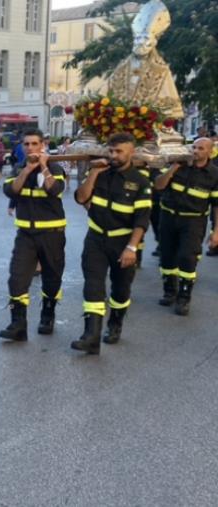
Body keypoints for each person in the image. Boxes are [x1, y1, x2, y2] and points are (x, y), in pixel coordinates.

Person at [71, 133, 152, 354]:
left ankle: (115, 324)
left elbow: (142, 220)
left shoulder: (140, 182)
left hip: (122, 242)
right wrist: (94, 173)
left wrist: (132, 248)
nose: (114, 155)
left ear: (131, 152)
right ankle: (91, 336)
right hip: (96, 238)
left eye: (119, 152)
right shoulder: (99, 174)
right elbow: (81, 198)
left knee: (120, 289)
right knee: (93, 285)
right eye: (111, 151)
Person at [0, 129, 67, 341]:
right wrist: (27, 171)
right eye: (26, 144)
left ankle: (48, 315)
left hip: (51, 233)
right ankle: (18, 324)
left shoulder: (55, 167)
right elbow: (10, 191)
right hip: (25, 234)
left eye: (34, 143)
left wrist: (44, 166)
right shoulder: (19, 168)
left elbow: (54, 189)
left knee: (52, 279)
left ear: (42, 145)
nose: (30, 148)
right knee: (16, 279)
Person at [152, 137, 218, 315]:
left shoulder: (214, 175)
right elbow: (158, 185)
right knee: (167, 256)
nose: (196, 151)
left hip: (193, 221)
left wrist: (216, 232)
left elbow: (216, 205)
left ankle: (184, 296)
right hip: (168, 218)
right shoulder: (177, 165)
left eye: (201, 148)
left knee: (187, 257)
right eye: (194, 147)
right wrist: (173, 169)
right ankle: (169, 291)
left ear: (210, 152)